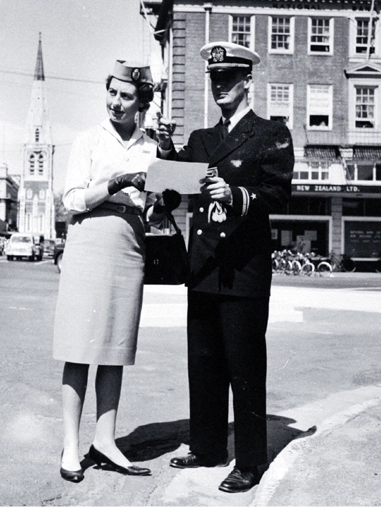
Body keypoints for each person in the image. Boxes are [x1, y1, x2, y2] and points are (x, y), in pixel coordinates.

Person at [157, 41, 294, 493]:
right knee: (205, 362)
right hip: (203, 267)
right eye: (215, 79)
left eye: (229, 78)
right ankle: (208, 445)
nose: (220, 86)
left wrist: (237, 197)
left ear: (247, 81)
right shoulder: (201, 140)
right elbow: (173, 192)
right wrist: (163, 157)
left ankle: (251, 459)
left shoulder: (270, 134)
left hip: (244, 269)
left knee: (245, 366)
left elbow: (278, 195)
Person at [53, 60, 175, 483]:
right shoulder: (88, 140)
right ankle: (72, 444)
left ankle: (105, 440)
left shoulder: (152, 144)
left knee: (114, 346)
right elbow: (70, 198)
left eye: (126, 96)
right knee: (79, 347)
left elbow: (162, 203)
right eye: (112, 94)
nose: (116, 103)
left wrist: (165, 190)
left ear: (142, 101)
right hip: (89, 241)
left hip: (129, 246)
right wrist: (116, 181)